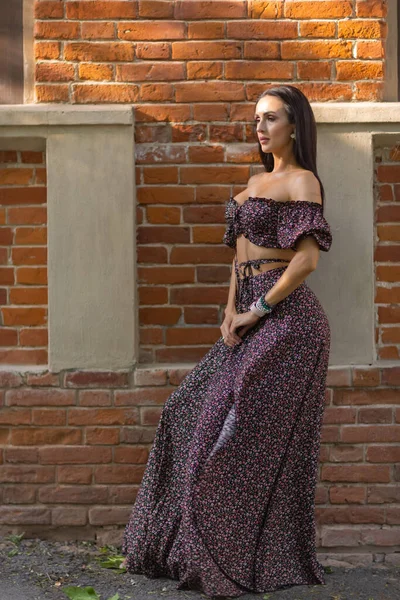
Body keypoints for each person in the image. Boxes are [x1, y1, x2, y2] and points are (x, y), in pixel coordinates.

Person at [122, 84, 333, 599]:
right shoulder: (254, 181)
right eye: (257, 119)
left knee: (231, 431)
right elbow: (239, 257)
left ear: (294, 125)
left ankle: (230, 557)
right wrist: (229, 310)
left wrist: (258, 309)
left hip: (288, 323)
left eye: (271, 119)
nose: (260, 129)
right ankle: (187, 549)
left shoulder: (303, 181)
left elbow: (306, 260)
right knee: (182, 412)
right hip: (244, 316)